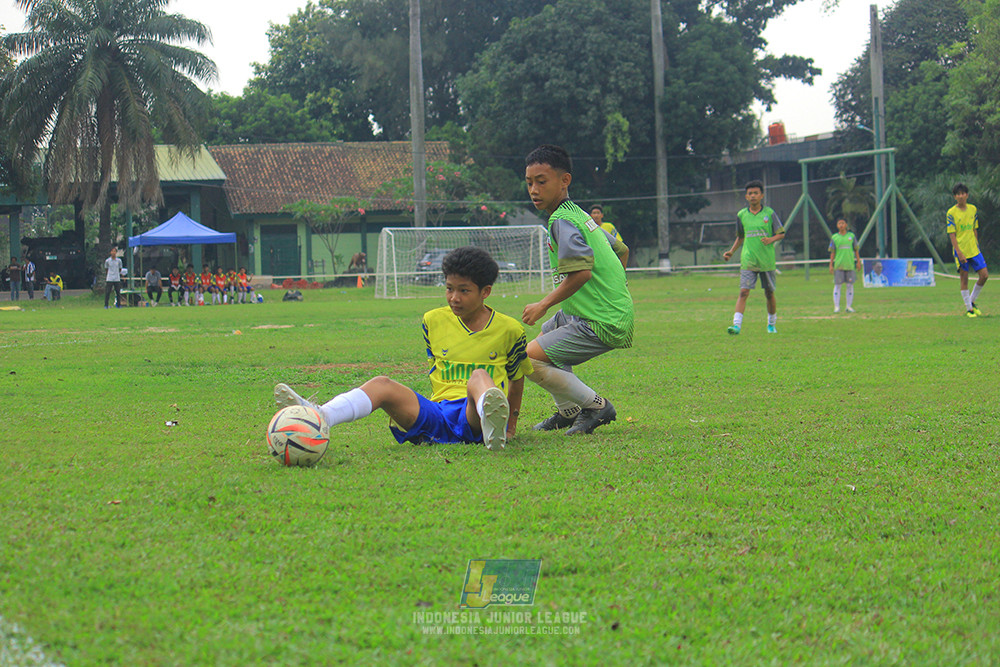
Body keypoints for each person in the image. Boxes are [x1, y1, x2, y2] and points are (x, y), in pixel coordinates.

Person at [274, 246, 531, 450]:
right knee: (382, 384)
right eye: (449, 289)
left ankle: (493, 427)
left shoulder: (510, 329)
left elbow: (516, 380)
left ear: (485, 291)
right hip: (438, 412)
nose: (454, 298)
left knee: (479, 377)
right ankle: (321, 416)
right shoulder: (432, 320)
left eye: (464, 291)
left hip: (473, 417)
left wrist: (511, 426)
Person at [521, 145, 633, 435]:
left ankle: (596, 406)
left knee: (528, 359)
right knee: (538, 348)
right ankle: (567, 411)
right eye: (529, 182)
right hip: (588, 311)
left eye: (541, 181)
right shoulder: (579, 215)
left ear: (565, 180)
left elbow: (581, 273)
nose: (534, 190)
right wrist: (616, 290)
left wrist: (543, 304)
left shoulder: (562, 220)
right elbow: (622, 250)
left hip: (600, 319)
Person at [723, 180, 785, 335]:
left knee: (769, 293)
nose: (753, 196)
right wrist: (731, 251)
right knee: (743, 292)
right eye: (750, 193)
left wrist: (771, 239)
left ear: (761, 195)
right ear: (746, 196)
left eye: (756, 193)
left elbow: (781, 233)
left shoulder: (769, 213)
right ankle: (736, 326)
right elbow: (741, 237)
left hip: (766, 261)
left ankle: (771, 324)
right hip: (748, 260)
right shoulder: (742, 215)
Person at [946, 182, 989, 318]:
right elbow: (952, 234)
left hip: (974, 249)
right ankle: (969, 310)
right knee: (964, 279)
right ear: (955, 197)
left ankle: (972, 301)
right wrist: (958, 252)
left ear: (967, 195)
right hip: (961, 250)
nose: (961, 196)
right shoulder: (951, 213)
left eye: (963, 193)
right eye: (958, 194)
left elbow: (974, 228)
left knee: (984, 275)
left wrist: (977, 244)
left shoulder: (973, 209)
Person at [828, 218, 862, 313]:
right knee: (837, 285)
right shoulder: (834, 237)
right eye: (839, 223)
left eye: (843, 223)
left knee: (850, 285)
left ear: (846, 225)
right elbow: (832, 252)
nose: (841, 225)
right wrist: (831, 264)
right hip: (839, 265)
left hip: (849, 265)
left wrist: (858, 262)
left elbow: (856, 250)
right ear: (837, 225)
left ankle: (848, 306)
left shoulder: (851, 236)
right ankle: (836, 307)